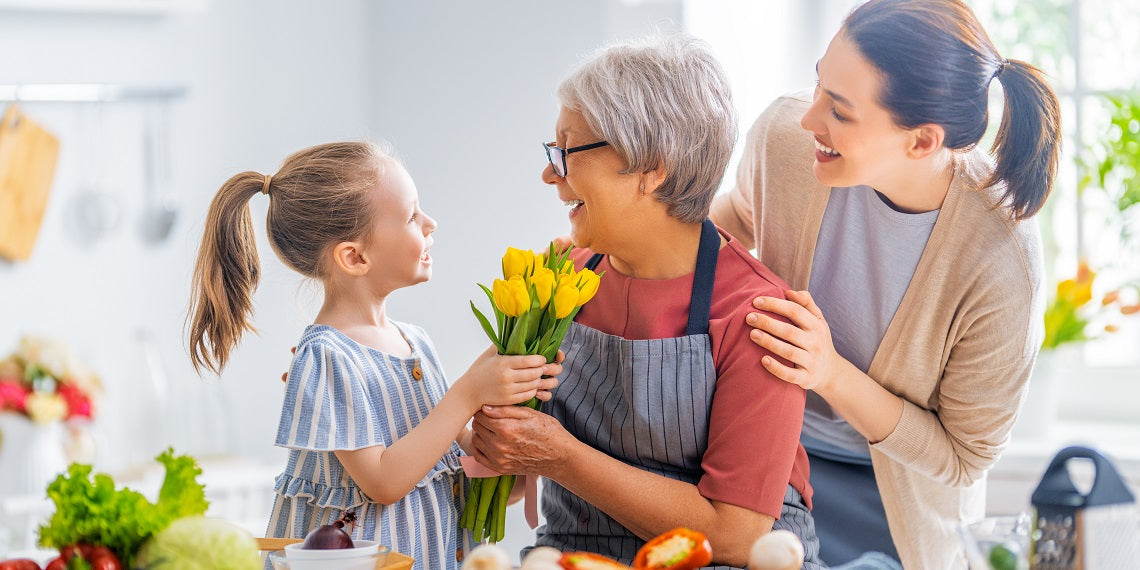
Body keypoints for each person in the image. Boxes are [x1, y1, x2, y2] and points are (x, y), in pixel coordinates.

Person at [710, 0, 1062, 567]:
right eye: (818, 84)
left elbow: (962, 457)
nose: (809, 118)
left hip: (902, 516)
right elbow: (731, 220)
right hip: (771, 465)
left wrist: (829, 373)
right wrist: (601, 254)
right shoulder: (785, 143)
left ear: (922, 141)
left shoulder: (1000, 260)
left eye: (840, 112)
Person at [468, 35, 823, 569]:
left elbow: (735, 534)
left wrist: (560, 457)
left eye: (567, 151)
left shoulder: (759, 316)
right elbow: (510, 471)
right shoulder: (561, 279)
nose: (550, 173)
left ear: (652, 166)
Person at [185, 141, 562, 570]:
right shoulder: (325, 355)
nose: (430, 223)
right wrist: (467, 395)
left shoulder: (416, 344)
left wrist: (521, 441)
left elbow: (463, 468)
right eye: (411, 216)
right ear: (355, 256)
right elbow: (384, 481)